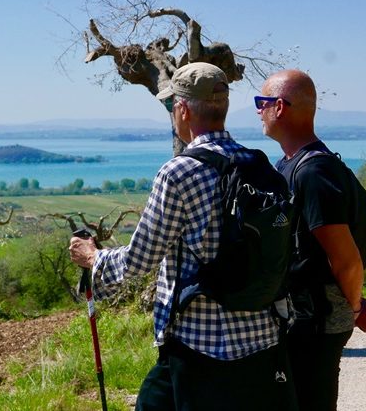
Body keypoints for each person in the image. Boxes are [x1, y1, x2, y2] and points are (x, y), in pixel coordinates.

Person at [69, 62, 297, 411]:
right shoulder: (258, 164)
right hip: (264, 341)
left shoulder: (179, 172)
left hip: (199, 347)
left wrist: (93, 258)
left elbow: (138, 261)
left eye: (170, 105)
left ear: (182, 109)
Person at [257, 69, 366, 411]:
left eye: (260, 103)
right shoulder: (290, 165)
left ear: (279, 107)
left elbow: (345, 258)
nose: (257, 111)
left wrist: (353, 306)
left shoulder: (313, 172)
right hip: (305, 316)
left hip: (315, 322)